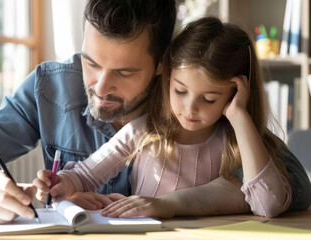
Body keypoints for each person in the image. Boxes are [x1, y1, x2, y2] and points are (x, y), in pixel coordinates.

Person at [0, 0, 310, 224]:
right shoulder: (51, 87)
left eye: (125, 72)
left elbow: (293, 185)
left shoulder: (196, 99)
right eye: (91, 62)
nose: (100, 86)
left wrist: (181, 201)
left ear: (165, 65)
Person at [34, 16, 311, 219]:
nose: (190, 109)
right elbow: (86, 174)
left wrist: (240, 116)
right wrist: (62, 184)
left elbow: (269, 204)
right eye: (180, 91)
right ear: (166, 78)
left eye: (209, 99)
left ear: (234, 95)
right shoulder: (144, 131)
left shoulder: (233, 144)